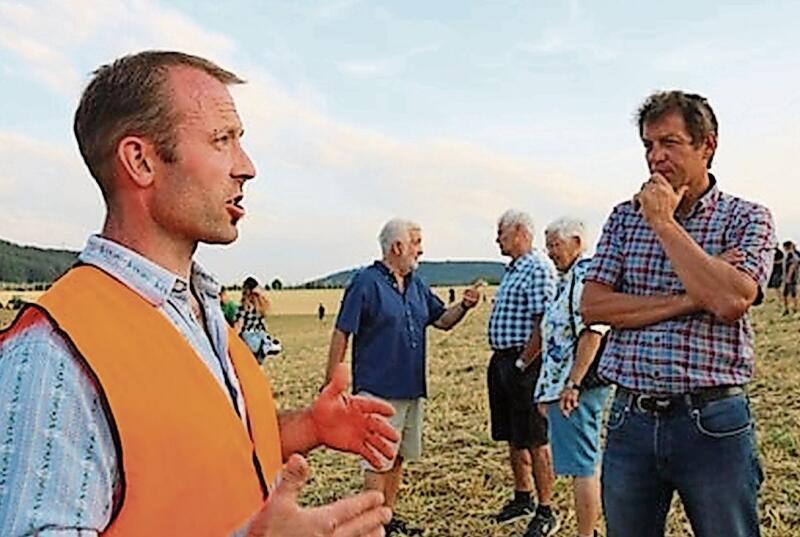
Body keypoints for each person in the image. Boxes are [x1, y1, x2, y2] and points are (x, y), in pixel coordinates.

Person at [0, 50, 400, 536]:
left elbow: (195, 452)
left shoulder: (199, 311)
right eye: (221, 140)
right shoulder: (54, 351)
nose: (246, 166)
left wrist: (308, 427)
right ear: (141, 160)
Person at [581, 90, 775, 537]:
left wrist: (665, 224)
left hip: (712, 420)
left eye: (669, 143)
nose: (655, 157)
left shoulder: (748, 219)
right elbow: (594, 306)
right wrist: (693, 296)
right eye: (649, 145)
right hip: (631, 416)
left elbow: (729, 303)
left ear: (707, 144)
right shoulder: (625, 218)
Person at [325, 218, 481, 536]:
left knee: (396, 459)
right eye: (417, 242)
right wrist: (332, 384)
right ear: (398, 246)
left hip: (411, 388)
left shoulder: (416, 286)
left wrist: (464, 306)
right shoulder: (365, 282)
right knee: (376, 462)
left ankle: (386, 519)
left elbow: (443, 321)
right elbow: (342, 332)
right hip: (377, 391)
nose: (421, 250)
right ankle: (371, 528)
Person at [532, 217, 610, 537]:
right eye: (548, 245)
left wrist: (572, 384)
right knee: (581, 462)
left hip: (577, 388)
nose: (551, 252)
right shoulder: (568, 278)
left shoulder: (584, 278)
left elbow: (592, 332)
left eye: (556, 245)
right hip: (563, 387)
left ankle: (586, 533)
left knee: (583, 465)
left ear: (578, 242)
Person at [486, 209, 558, 536]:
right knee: (513, 434)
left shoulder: (538, 268)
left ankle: (546, 509)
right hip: (504, 361)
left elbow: (544, 324)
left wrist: (522, 363)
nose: (497, 238)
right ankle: (522, 497)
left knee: (534, 436)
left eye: (501, 232)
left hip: (525, 364)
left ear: (518, 232)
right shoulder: (515, 269)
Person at [234, 276, 282, 361]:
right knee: (250, 337)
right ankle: (265, 346)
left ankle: (266, 345)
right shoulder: (245, 309)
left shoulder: (258, 307)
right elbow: (239, 326)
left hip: (258, 336)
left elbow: (238, 326)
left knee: (259, 337)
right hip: (251, 337)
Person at [783, 240, 798, 315]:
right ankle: (790, 309)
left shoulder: (791, 255)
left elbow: (792, 266)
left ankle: (792, 309)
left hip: (791, 278)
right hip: (792, 277)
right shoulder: (794, 254)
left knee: (791, 294)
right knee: (789, 294)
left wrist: (788, 277)